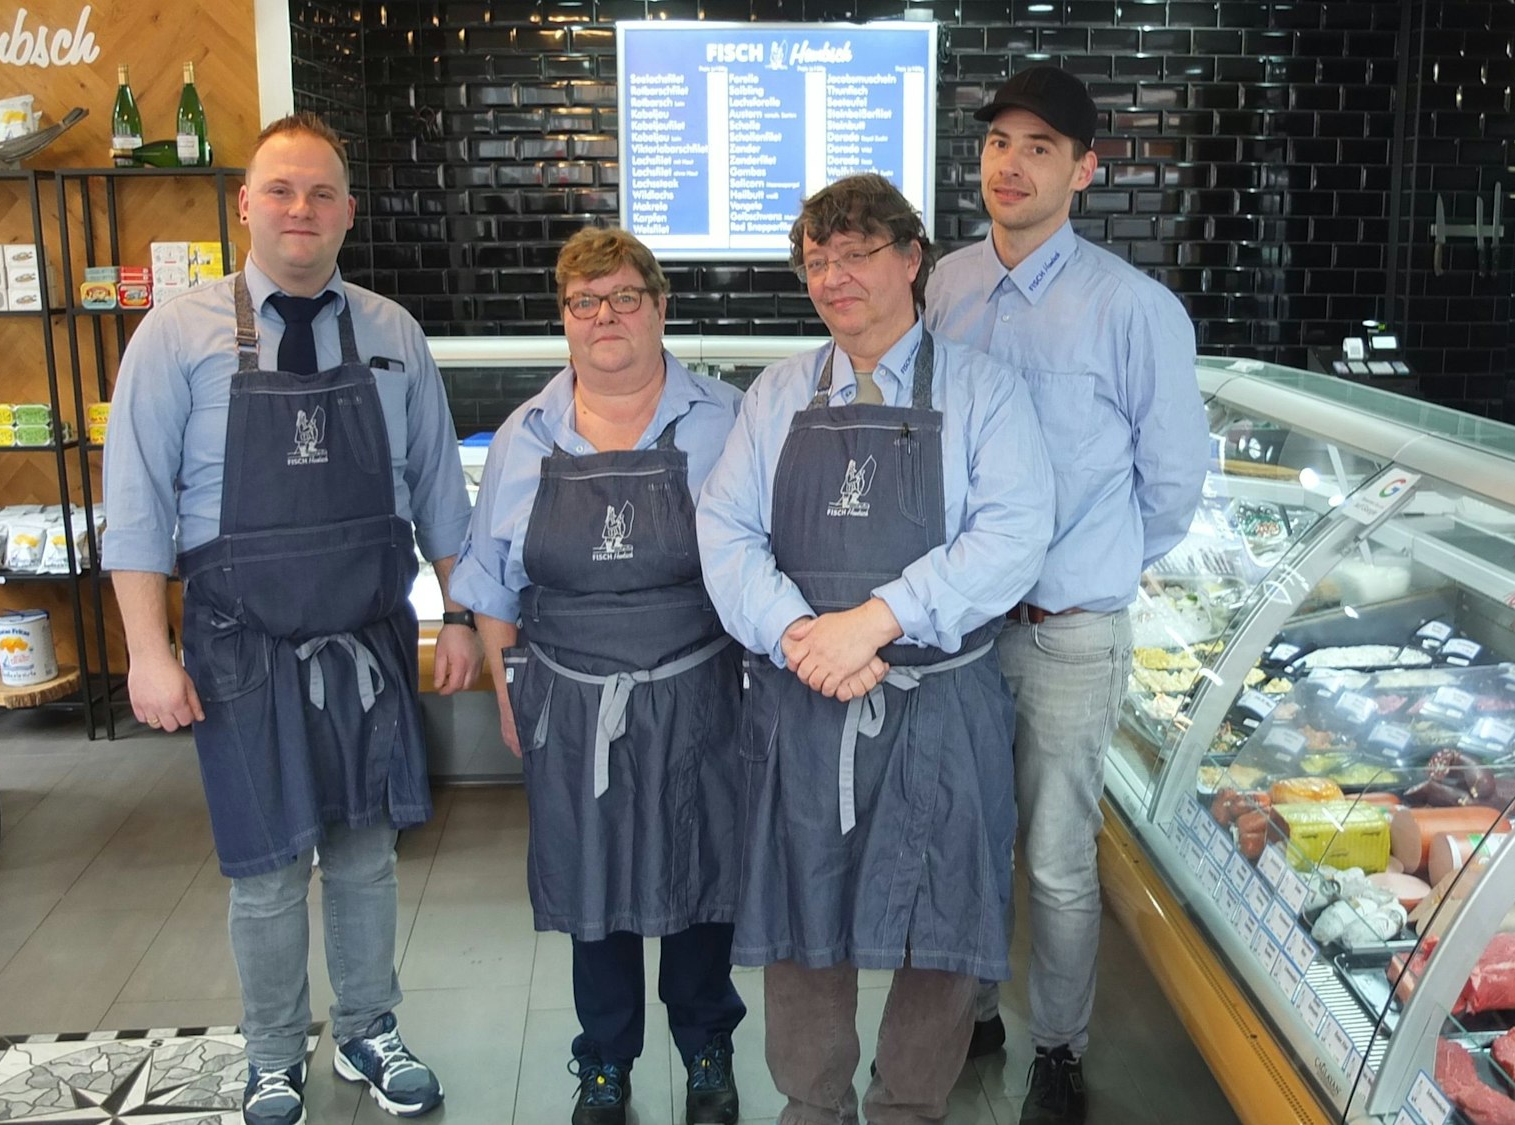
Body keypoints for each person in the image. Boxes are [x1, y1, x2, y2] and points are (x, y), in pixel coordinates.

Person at [102, 112, 478, 1125]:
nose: (300, 209)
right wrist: (147, 653)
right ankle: (272, 1053)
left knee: (363, 851)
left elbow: (440, 489)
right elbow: (133, 504)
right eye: (280, 190)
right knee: (266, 865)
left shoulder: (393, 332)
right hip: (240, 645)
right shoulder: (173, 335)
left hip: (368, 637)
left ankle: (368, 1026)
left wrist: (461, 618)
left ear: (348, 212)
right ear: (244, 203)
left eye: (320, 192)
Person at [696, 173, 1054, 1125]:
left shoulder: (986, 392)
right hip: (801, 699)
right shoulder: (776, 394)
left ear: (910, 260)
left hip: (941, 701)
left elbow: (1013, 535)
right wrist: (799, 634)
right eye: (817, 260)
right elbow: (725, 532)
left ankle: (908, 1109)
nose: (835, 277)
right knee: (801, 924)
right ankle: (812, 1107)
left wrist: (878, 619)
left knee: (937, 927)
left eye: (856, 254)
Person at [924, 65, 1208, 1124]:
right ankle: (975, 1013)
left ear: (1085, 170)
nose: (1011, 163)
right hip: (954, 630)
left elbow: (1170, 486)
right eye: (1000, 141)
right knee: (964, 841)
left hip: (1062, 636)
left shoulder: (1132, 312)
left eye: (1040, 146)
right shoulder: (944, 285)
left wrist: (1087, 574)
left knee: (1051, 862)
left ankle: (1057, 1045)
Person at [451, 226, 748, 1125]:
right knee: (594, 887)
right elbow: (497, 584)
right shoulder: (525, 433)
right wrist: (512, 699)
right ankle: (605, 1061)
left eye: (625, 297)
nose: (605, 317)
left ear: (660, 309)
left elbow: (763, 558)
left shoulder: (727, 419)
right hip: (571, 702)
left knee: (703, 876)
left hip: (699, 693)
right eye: (586, 302)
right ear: (564, 319)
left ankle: (707, 1050)